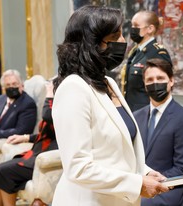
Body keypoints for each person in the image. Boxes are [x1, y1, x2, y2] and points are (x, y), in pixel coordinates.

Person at [51, 5, 169, 206]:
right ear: (92, 44)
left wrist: (145, 171)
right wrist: (137, 183)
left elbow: (116, 151)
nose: (123, 42)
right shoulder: (73, 88)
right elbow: (79, 167)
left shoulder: (108, 83)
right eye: (114, 38)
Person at [133, 58, 183, 206]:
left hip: (167, 190)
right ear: (144, 84)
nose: (155, 83)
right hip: (137, 186)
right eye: (150, 79)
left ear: (171, 81)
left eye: (160, 78)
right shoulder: (136, 117)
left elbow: (182, 168)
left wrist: (150, 182)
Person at [0, 80, 57, 206]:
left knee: (3, 171)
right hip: (36, 151)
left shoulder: (56, 109)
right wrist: (25, 137)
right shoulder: (54, 107)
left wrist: (49, 95)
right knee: (0, 169)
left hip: (46, 154)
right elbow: (45, 133)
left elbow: (47, 116)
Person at [121, 10, 172, 112]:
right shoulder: (135, 51)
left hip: (146, 114)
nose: (132, 29)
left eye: (136, 26)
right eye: (132, 25)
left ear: (150, 29)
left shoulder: (157, 53)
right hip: (131, 112)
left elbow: (161, 89)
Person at [0, 70, 37, 139]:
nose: (11, 87)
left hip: (8, 139)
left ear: (22, 85)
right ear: (3, 88)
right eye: (8, 85)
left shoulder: (27, 103)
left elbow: (21, 131)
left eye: (14, 84)